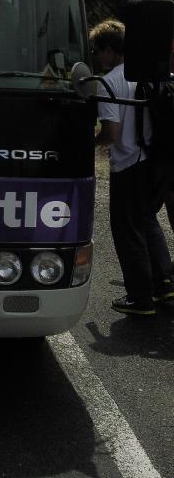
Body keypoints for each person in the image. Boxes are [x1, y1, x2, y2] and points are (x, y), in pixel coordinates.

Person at [91, 18, 174, 316]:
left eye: (100, 51)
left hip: (126, 164)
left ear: (112, 50)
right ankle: (164, 284)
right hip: (152, 160)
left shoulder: (110, 81)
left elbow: (112, 134)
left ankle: (140, 298)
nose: (98, 57)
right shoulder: (148, 75)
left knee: (127, 230)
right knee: (147, 222)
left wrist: (91, 142)